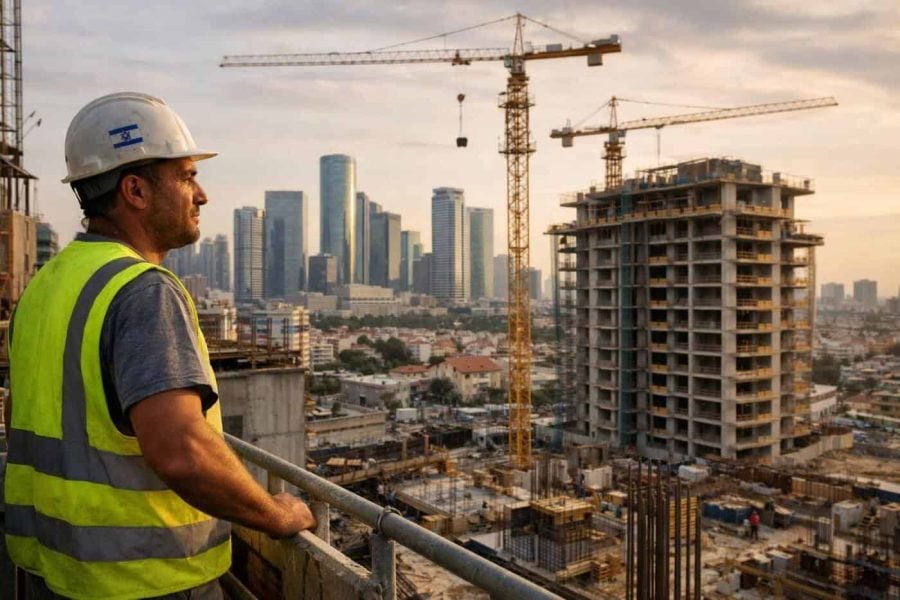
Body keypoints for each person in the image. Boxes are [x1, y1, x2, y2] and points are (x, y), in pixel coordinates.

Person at [3, 92, 316, 599]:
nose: (201, 195)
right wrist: (275, 514)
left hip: (53, 572)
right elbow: (181, 450)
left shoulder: (45, 287)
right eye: (187, 176)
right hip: (144, 579)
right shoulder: (142, 290)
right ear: (135, 190)